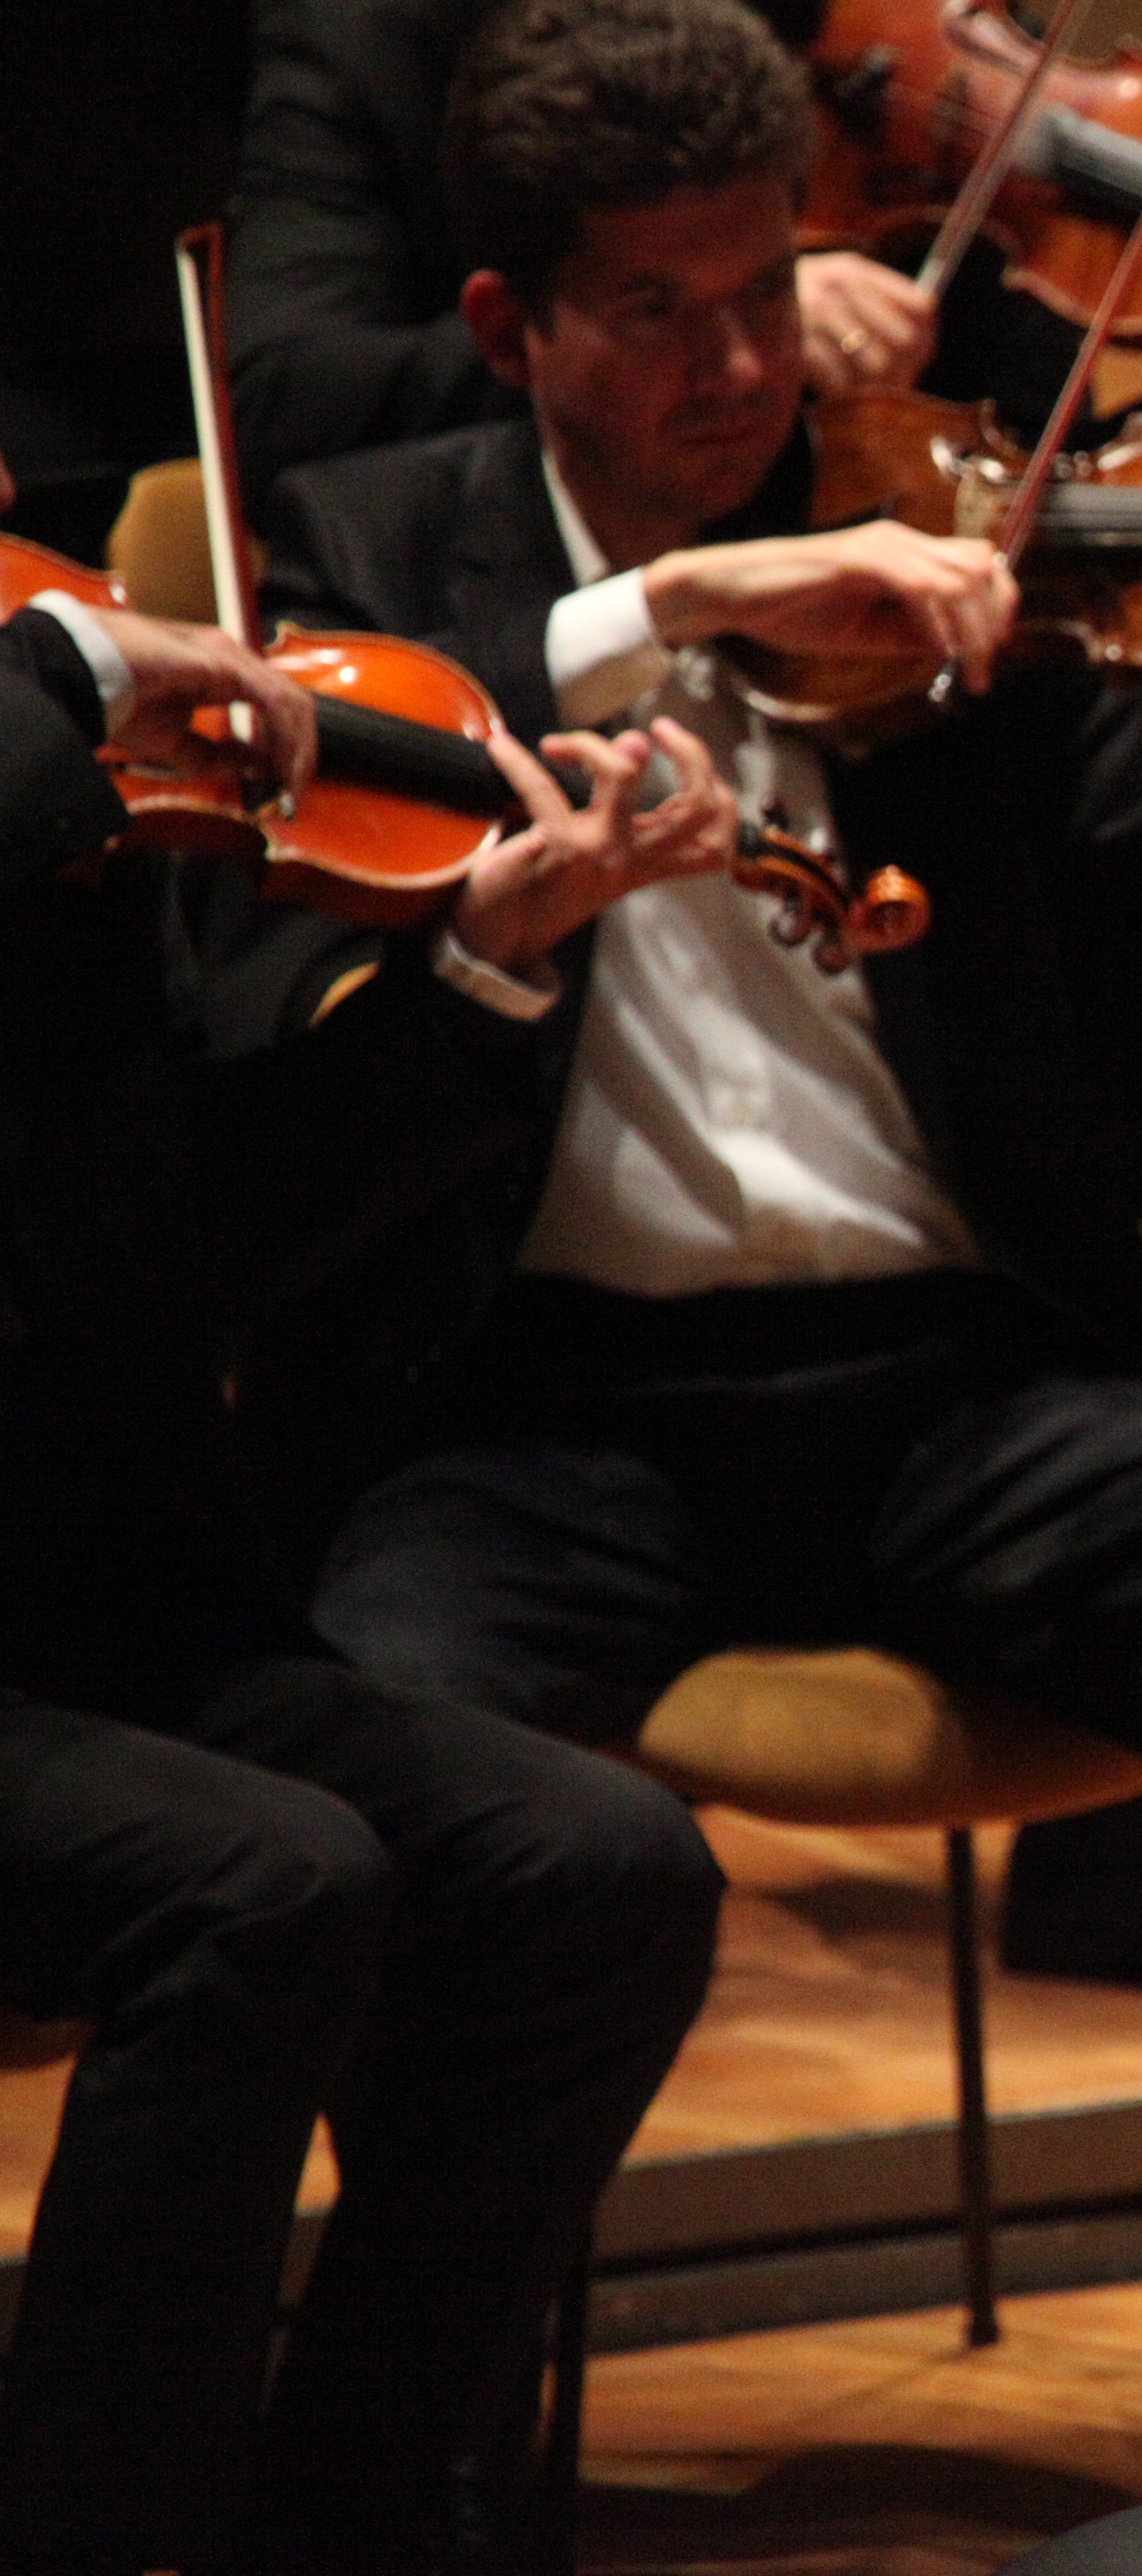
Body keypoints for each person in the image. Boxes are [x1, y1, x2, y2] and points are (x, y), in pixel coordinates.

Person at [222, 0, 1142, 2474]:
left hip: (958, 1391)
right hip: (531, 1416)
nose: (741, 364)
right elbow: (270, 1081)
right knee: (387, 1733)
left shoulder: (974, 562)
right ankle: (429, 2441)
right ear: (507, 328)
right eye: (656, 313)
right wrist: (667, 608)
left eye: (768, 291)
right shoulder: (372, 567)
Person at [0, 463, 727, 2573]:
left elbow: (196, 1238)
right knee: (259, 1889)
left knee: (592, 1867)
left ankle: (346, 2506)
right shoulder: (38, 720)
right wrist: (62, 661)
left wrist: (484, 964)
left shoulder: (62, 801)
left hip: (95, 1616)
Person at [228, 0, 1142, 482]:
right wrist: (702, 325)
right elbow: (286, 392)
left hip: (874, 680)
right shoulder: (377, 41)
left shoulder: (891, 42)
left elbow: (1039, 467)